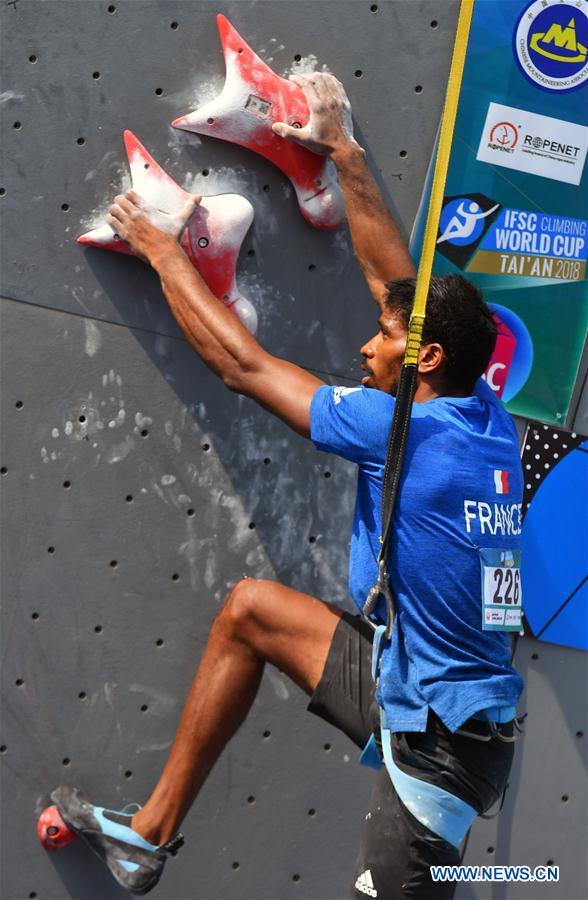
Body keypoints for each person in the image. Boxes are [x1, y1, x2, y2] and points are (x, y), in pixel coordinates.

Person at [51, 75, 524, 899]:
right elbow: (396, 288)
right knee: (251, 614)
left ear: (427, 363)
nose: (368, 345)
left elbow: (242, 365)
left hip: (440, 755)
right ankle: (147, 839)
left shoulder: (403, 432)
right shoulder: (479, 414)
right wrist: (342, 152)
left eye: (383, 340)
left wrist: (165, 252)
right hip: (416, 685)